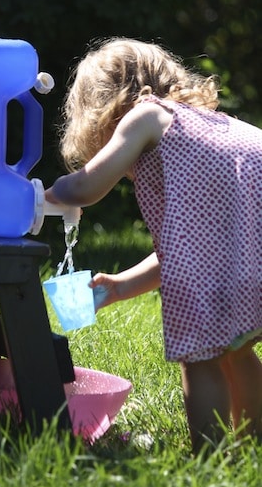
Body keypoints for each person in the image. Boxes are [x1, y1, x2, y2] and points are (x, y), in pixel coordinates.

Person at [45, 37, 262, 454]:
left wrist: (52, 195)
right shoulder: (209, 128)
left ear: (105, 108)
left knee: (201, 359)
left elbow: (87, 186)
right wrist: (123, 285)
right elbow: (194, 249)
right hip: (253, 254)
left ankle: (211, 459)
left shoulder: (148, 115)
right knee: (237, 350)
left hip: (239, 251)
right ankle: (251, 447)